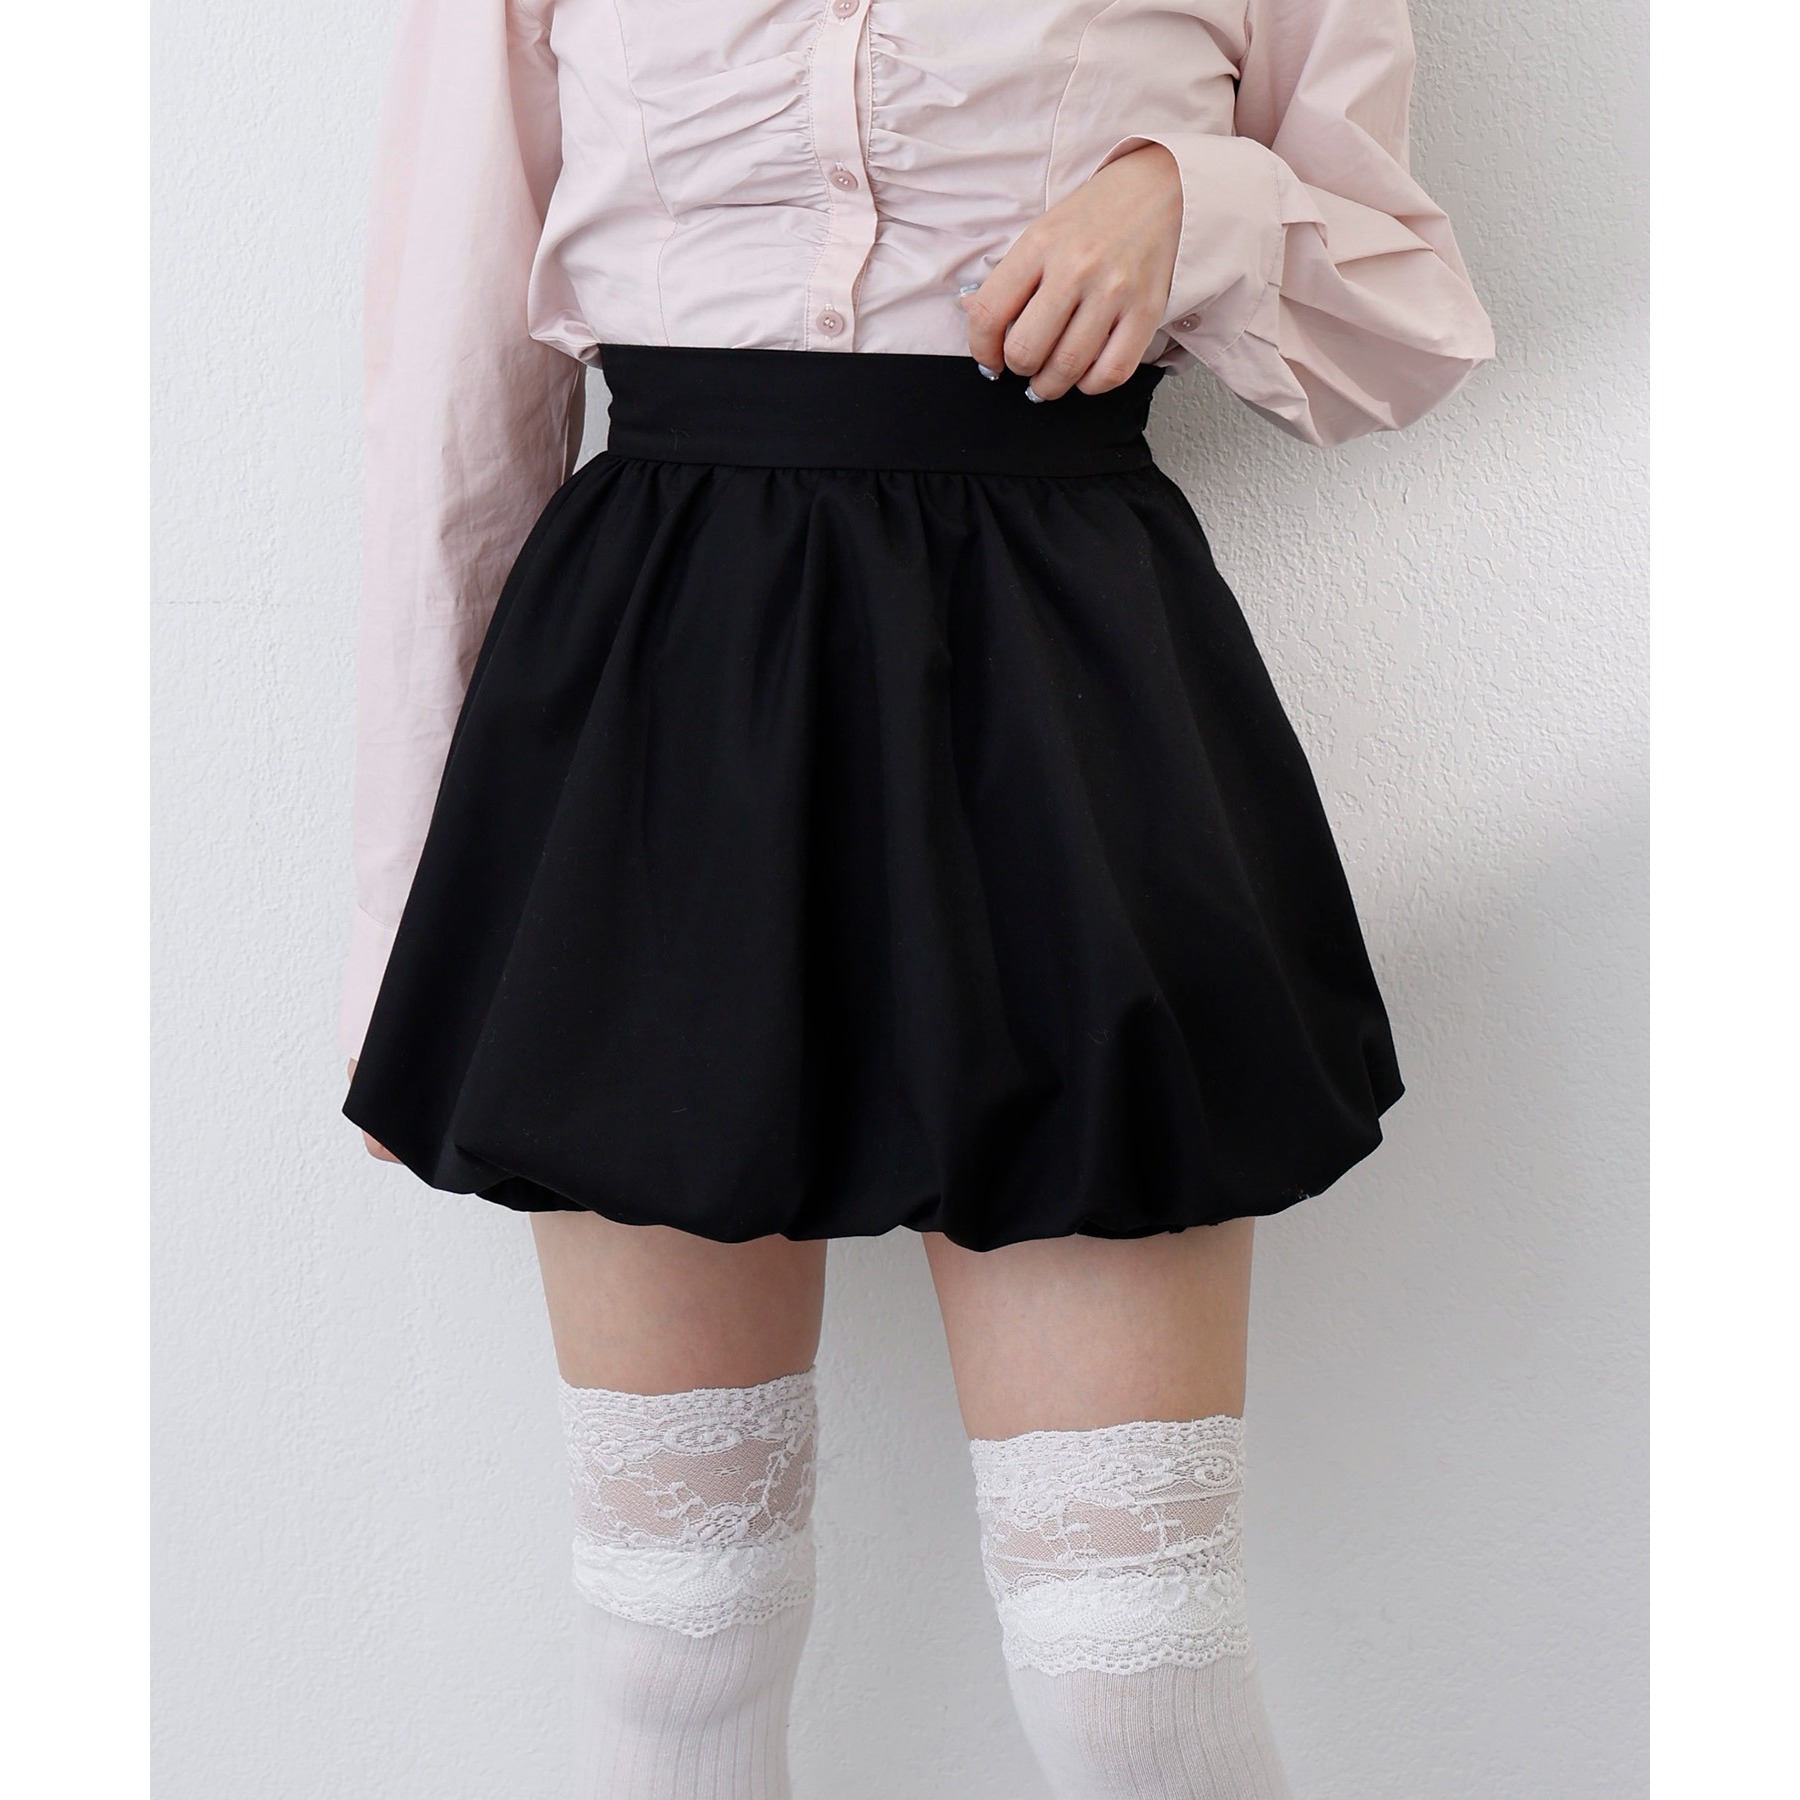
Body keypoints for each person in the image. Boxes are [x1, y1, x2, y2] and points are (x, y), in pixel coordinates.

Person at [338, 2, 1493, 1794]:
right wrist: (416, 926)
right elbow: (451, 398)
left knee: (1131, 1667)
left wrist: (1191, 197)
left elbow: (1403, 326)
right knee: (676, 1634)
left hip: (1062, 692)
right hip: (655, 697)